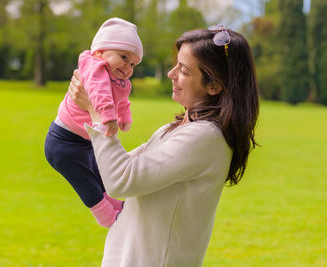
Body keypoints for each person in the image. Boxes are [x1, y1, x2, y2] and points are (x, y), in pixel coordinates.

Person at [67, 24, 259, 266]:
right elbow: (112, 170)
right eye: (176, 64)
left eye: (184, 71)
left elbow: (120, 180)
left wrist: (96, 111)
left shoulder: (205, 137)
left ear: (214, 86)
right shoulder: (180, 128)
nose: (171, 74)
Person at [44, 17, 143, 228]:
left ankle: (116, 204)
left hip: (85, 140)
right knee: (86, 182)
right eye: (123, 57)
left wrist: (125, 116)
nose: (128, 66)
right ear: (100, 53)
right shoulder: (94, 68)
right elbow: (100, 94)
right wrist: (108, 116)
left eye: (133, 63)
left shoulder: (120, 80)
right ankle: (106, 217)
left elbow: (123, 98)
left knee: (100, 173)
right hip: (64, 142)